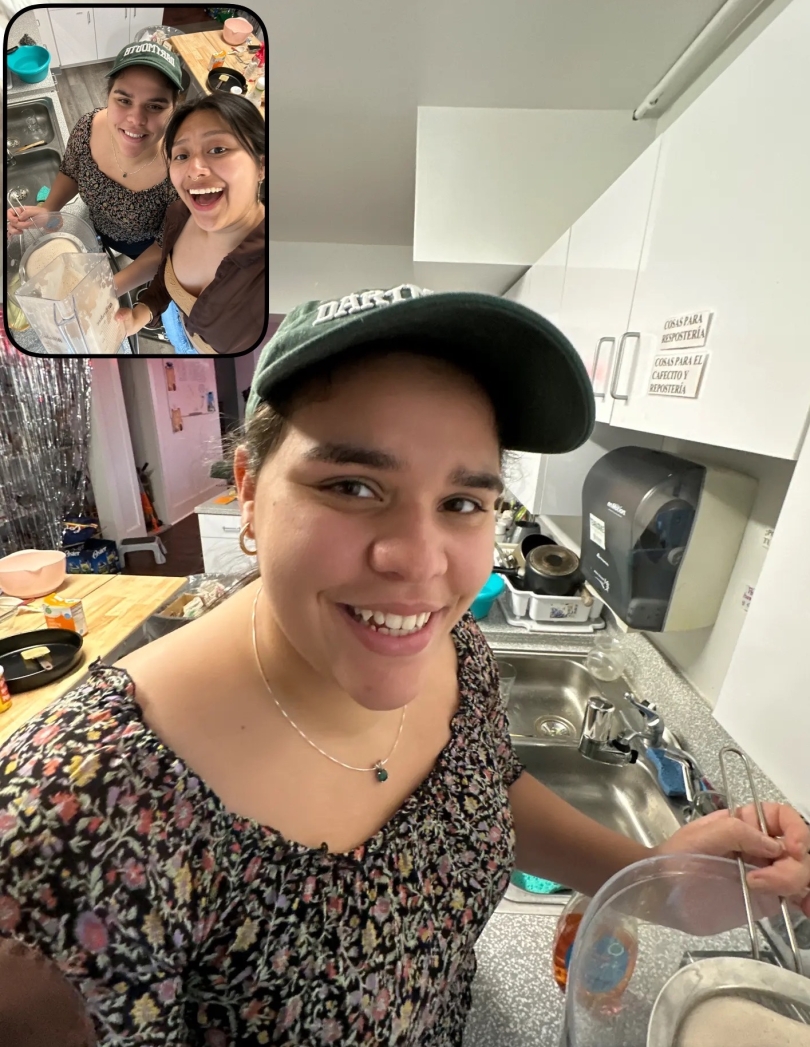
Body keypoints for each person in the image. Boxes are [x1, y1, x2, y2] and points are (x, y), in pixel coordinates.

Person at [0, 286, 807, 1044]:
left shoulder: (452, 649)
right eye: (352, 484)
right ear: (247, 488)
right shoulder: (71, 823)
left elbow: (482, 796)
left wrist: (654, 879)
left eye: (461, 502)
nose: (420, 562)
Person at [6, 42, 183, 294]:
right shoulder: (88, 127)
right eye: (123, 100)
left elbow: (164, 248)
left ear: (174, 108)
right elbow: (71, 171)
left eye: (155, 106)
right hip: (94, 227)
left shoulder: (182, 169)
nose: (135, 119)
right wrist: (49, 209)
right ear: (109, 97)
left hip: (142, 249)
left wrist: (108, 288)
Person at [114, 92, 266, 356]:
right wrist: (141, 313)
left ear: (261, 166)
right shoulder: (179, 215)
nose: (194, 170)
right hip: (178, 330)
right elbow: (165, 277)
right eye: (181, 155)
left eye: (218, 149)